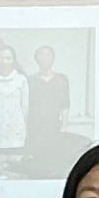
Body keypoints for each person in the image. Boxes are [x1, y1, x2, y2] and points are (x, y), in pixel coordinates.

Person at [0, 47, 31, 175]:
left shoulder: (21, 80)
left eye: (8, 58)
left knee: (17, 169)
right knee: (0, 169)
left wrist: (24, 127)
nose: (5, 61)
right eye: (2, 58)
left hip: (17, 128)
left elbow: (25, 107)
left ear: (13, 60)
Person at [26, 45, 71, 173]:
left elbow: (65, 104)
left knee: (55, 161)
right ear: (37, 59)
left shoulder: (61, 79)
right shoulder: (30, 81)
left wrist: (64, 126)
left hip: (55, 126)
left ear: (53, 58)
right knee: (37, 163)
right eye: (41, 56)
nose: (45, 59)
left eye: (48, 56)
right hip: (35, 128)